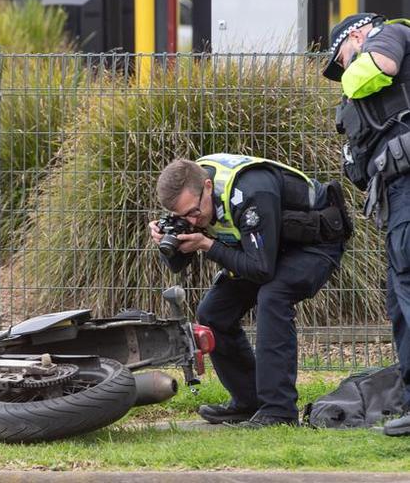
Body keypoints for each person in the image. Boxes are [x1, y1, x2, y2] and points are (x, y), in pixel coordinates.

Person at [149, 154, 349, 427]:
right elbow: (178, 264)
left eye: (193, 213)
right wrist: (168, 240)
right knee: (213, 313)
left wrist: (207, 245)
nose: (193, 222)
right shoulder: (192, 197)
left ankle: (279, 411)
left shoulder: (251, 191)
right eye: (181, 217)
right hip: (268, 247)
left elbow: (261, 270)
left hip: (315, 242)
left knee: (274, 295)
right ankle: (248, 401)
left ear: (207, 186)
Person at [323, 13, 410, 436]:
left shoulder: (390, 34)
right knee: (398, 298)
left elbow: (380, 68)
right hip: (394, 194)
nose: (342, 69)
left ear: (357, 34)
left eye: (341, 56)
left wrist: (350, 77)